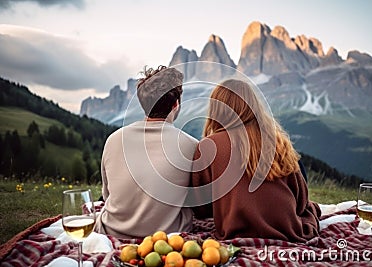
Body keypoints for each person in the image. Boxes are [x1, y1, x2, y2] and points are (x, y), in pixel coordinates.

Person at [191, 79, 320, 242]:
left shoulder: (209, 146)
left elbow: (201, 209)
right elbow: (301, 200)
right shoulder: (276, 141)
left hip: (236, 232)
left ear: (216, 110)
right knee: (311, 207)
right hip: (288, 229)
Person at [94, 65, 198, 239]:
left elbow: (106, 195)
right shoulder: (192, 145)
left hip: (112, 232)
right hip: (167, 237)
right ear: (176, 104)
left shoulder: (113, 139)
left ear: (144, 104)